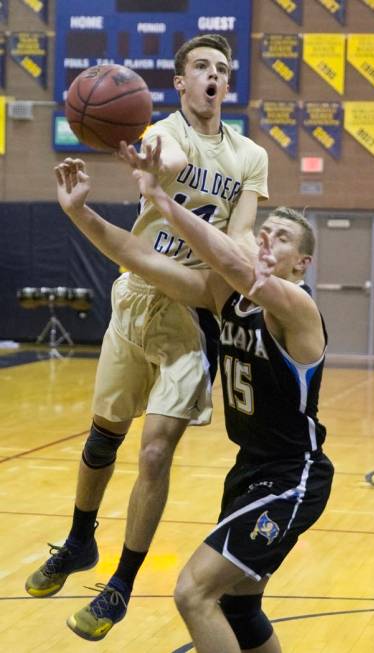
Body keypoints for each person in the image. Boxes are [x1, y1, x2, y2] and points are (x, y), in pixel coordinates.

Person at [25, 33, 269, 642]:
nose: (214, 76)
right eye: (202, 68)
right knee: (103, 435)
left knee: (156, 449)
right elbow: (164, 165)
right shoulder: (158, 132)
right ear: (180, 83)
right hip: (135, 294)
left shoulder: (250, 156)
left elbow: (241, 236)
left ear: (226, 84)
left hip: (193, 312)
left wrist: (236, 258)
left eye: (222, 69)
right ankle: (81, 539)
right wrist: (158, 170)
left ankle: (122, 583)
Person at [48, 148, 334, 653]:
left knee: (193, 593)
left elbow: (228, 256)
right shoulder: (225, 294)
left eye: (282, 238)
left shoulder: (299, 308)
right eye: (265, 230)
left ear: (302, 262)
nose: (266, 239)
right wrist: (78, 212)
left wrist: (162, 198)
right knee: (239, 608)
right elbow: (139, 258)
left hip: (293, 476)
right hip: (250, 471)